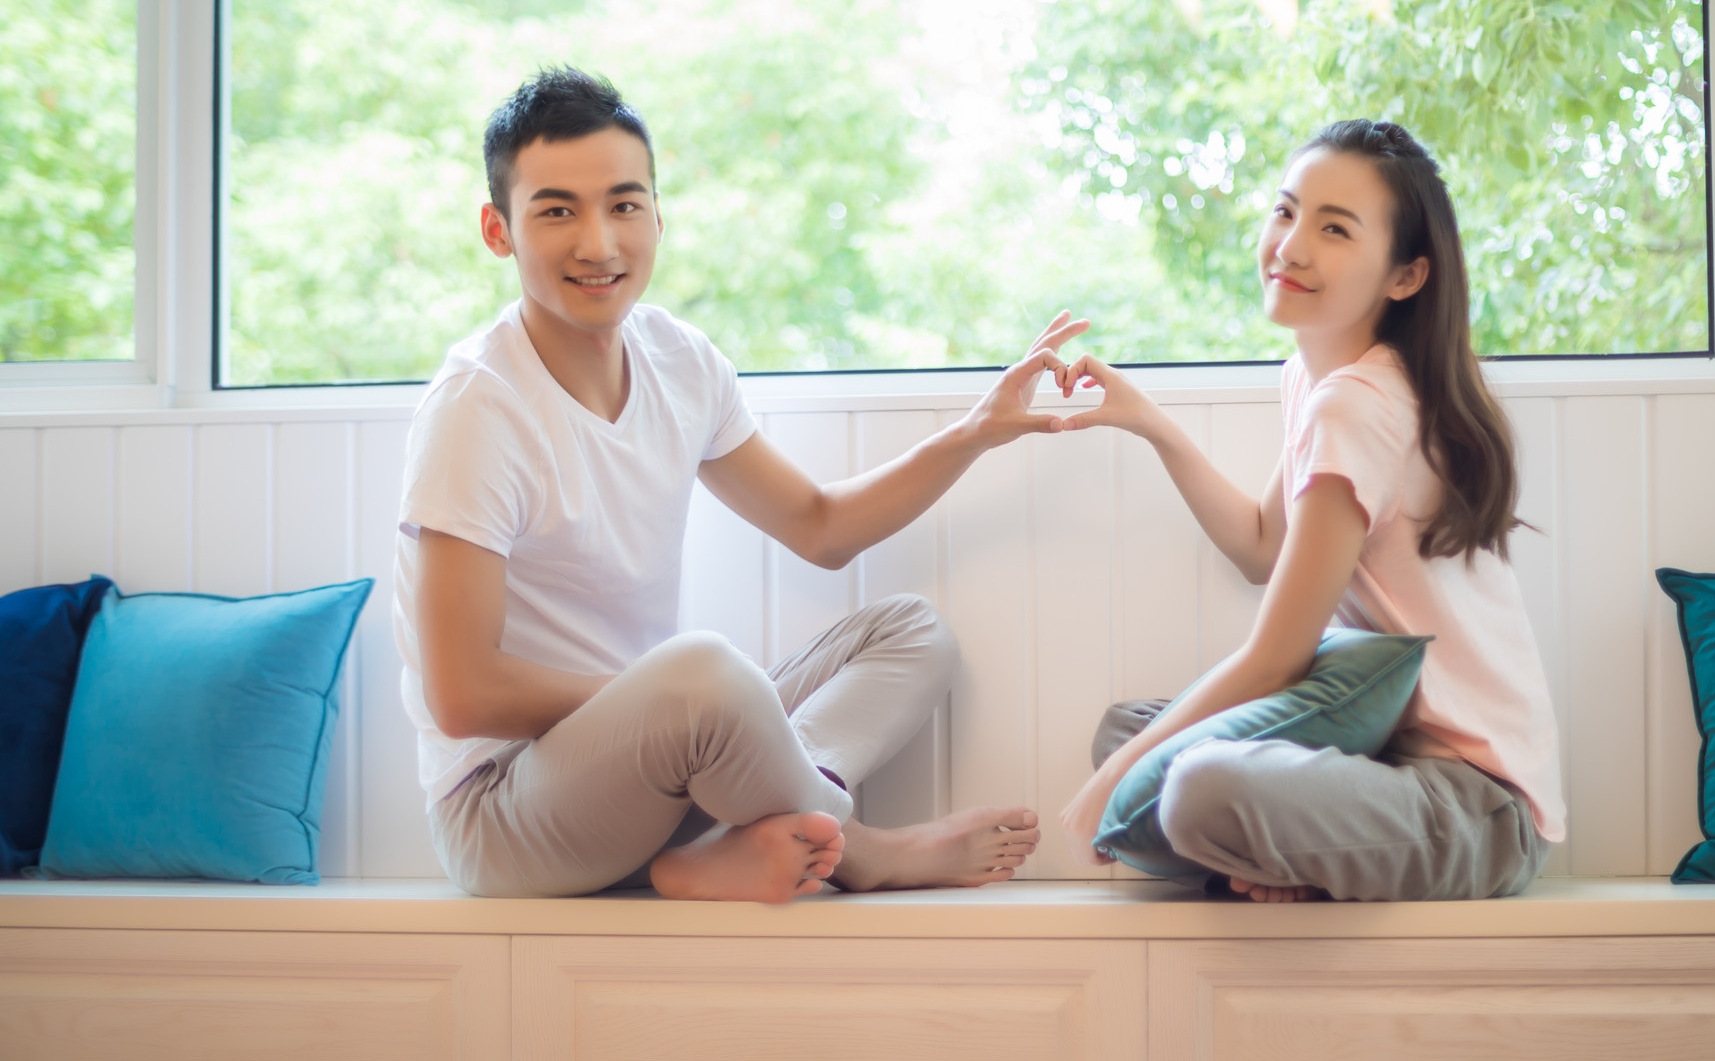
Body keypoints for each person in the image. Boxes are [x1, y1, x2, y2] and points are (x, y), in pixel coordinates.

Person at [393, 65, 1077, 901]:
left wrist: (975, 432)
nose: (599, 244)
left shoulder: (680, 360)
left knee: (911, 632)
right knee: (706, 680)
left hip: (658, 765)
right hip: (505, 814)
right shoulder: (477, 405)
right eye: (557, 211)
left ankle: (723, 843)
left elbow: (821, 527)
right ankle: (861, 852)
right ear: (498, 230)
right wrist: (684, 709)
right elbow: (462, 695)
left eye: (624, 205)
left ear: (657, 215)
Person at [1053, 119, 1565, 902]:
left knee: (1189, 784)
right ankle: (1287, 852)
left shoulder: (1358, 404)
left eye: (1334, 229)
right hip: (1373, 755)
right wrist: (1151, 423)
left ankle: (1282, 849)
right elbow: (1262, 547)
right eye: (1286, 212)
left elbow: (1278, 656)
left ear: (1406, 276)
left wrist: (1110, 785)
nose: (1290, 247)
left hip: (1474, 804)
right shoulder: (1315, 379)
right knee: (1127, 729)